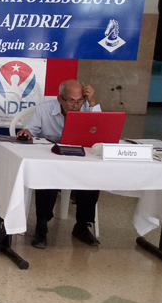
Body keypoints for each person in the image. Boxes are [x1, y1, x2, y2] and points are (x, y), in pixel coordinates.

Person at [16, 79, 101, 248]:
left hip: (80, 160)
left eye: (80, 101)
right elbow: (30, 130)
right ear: (60, 99)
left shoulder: (87, 108)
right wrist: (26, 132)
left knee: (92, 178)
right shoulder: (44, 110)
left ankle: (82, 227)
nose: (76, 105)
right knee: (46, 178)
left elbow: (101, 130)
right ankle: (41, 227)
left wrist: (92, 103)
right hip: (52, 159)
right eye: (71, 100)